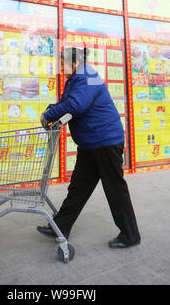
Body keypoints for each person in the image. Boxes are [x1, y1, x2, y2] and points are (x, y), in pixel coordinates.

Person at [38, 46, 141, 249]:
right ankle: (61, 226)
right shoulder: (78, 78)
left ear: (74, 63)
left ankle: (130, 235)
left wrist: (48, 114)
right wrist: (52, 110)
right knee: (79, 187)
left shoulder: (86, 75)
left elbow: (76, 105)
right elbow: (67, 102)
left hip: (105, 142)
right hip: (91, 143)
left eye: (63, 64)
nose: (61, 68)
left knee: (115, 189)